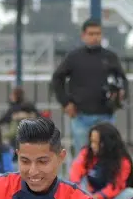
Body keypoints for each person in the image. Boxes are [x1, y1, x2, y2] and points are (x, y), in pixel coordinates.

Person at [51, 18, 128, 154]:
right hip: (81, 116)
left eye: (98, 33)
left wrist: (121, 96)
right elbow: (57, 79)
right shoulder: (74, 57)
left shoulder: (110, 57)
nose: (95, 37)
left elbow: (122, 80)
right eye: (91, 34)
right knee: (84, 156)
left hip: (106, 115)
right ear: (83, 36)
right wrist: (66, 102)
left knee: (108, 155)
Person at [69, 122, 133, 199]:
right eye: (92, 141)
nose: (93, 146)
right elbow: (75, 171)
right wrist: (80, 192)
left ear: (108, 143)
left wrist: (97, 198)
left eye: (97, 143)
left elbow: (115, 187)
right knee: (71, 186)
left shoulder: (123, 161)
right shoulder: (87, 152)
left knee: (131, 193)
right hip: (88, 196)